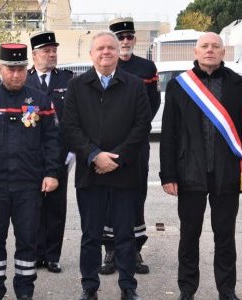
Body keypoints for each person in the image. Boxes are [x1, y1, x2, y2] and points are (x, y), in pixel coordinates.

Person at [160, 32, 242, 300]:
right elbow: (169, 133)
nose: (209, 50)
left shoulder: (238, 85)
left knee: (225, 236)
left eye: (215, 46)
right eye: (204, 46)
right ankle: (187, 290)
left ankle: (226, 290)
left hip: (227, 174)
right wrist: (167, 174)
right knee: (189, 236)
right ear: (196, 52)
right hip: (188, 173)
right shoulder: (179, 85)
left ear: (223, 52)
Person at [0, 43, 60, 300]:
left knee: (27, 240)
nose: (15, 74)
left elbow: (52, 139)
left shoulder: (39, 100)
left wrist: (52, 172)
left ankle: (25, 291)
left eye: (20, 69)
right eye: (10, 69)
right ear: (0, 68)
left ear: (27, 69)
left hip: (29, 185)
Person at [63, 32, 151, 300]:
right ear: (91, 54)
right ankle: (90, 288)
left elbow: (142, 126)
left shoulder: (135, 85)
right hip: (90, 175)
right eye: (100, 48)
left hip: (124, 174)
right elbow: (70, 127)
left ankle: (127, 286)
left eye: (111, 48)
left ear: (118, 52)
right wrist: (94, 155)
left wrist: (117, 159)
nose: (106, 52)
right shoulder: (77, 86)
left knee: (125, 235)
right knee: (91, 236)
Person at [98, 17, 161, 275]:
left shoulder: (146, 67)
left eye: (129, 37)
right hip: (108, 145)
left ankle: (134, 250)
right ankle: (111, 250)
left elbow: (152, 103)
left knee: (136, 196)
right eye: (120, 37)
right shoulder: (106, 67)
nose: (125, 41)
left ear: (134, 39)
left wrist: (135, 132)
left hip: (136, 145)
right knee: (108, 198)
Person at [25, 31, 74, 274]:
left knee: (55, 208)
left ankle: (53, 255)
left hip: (61, 155)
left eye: (54, 50)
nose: (52, 54)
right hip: (32, 157)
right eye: (46, 51)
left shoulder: (69, 80)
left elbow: (76, 119)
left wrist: (72, 152)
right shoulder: (24, 81)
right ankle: (35, 254)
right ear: (34, 55)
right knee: (33, 208)